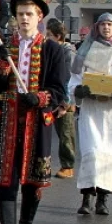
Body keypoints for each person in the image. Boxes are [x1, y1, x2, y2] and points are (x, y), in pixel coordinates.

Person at [0, 0, 68, 224]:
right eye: (20, 14)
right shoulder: (4, 48)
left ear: (39, 17)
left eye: (29, 14)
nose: (23, 18)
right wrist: (0, 64)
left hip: (36, 121)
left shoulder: (53, 50)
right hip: (8, 120)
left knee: (33, 179)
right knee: (6, 180)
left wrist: (40, 97)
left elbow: (59, 89)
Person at [69, 13, 112, 215]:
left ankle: (102, 199)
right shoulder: (85, 53)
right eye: (103, 25)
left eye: (110, 25)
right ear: (97, 27)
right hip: (92, 111)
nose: (106, 28)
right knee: (92, 153)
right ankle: (86, 198)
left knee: (111, 156)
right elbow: (74, 80)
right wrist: (78, 91)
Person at [45, 19, 77, 179]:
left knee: (65, 134)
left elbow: (68, 78)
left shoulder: (67, 52)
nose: (46, 37)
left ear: (58, 36)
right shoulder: (52, 50)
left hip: (65, 100)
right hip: (54, 98)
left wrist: (65, 103)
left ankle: (68, 166)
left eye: (49, 35)